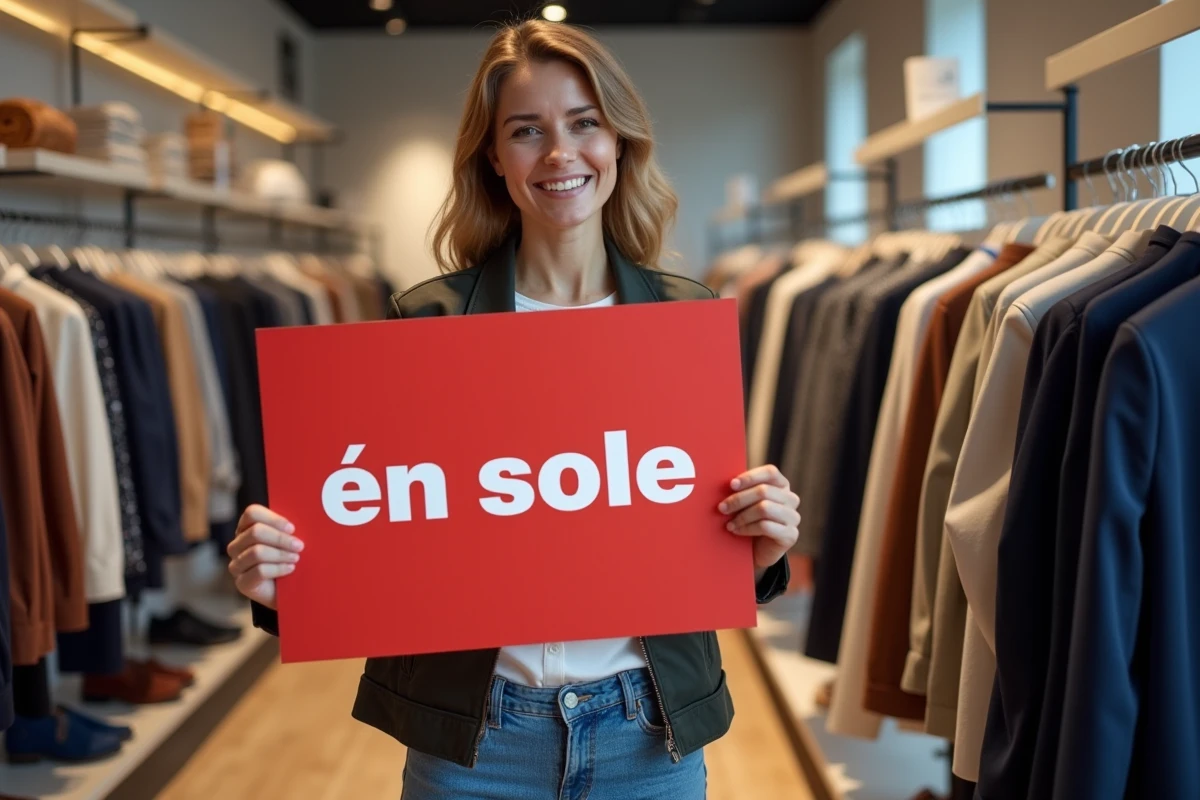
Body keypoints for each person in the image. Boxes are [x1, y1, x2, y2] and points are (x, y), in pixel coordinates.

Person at [227, 19, 800, 800]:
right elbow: (385, 525)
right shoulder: (425, 324)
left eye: (584, 123)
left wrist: (761, 547)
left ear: (620, 140)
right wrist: (287, 585)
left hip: (648, 735)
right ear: (494, 156)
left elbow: (700, 533)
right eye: (527, 130)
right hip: (477, 745)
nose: (560, 153)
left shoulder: (682, 319)